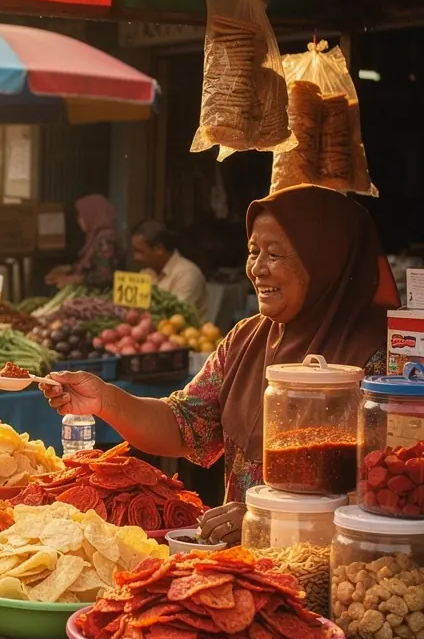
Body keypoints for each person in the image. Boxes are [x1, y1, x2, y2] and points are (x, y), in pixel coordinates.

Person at [42, 184, 400, 546]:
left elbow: (389, 492)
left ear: (326, 261)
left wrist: (267, 518)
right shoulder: (247, 339)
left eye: (275, 255)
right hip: (240, 569)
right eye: (253, 252)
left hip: (334, 575)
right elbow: (183, 424)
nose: (257, 269)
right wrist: (105, 400)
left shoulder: (383, 362)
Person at [131, 219, 209, 321]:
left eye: (140, 251)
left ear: (158, 249)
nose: (135, 257)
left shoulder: (187, 275)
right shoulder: (146, 273)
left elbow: (175, 318)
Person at [45, 194, 120, 289]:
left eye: (81, 215)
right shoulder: (95, 237)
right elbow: (93, 264)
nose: (79, 220)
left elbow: (105, 276)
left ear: (92, 214)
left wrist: (72, 279)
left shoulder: (105, 239)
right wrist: (68, 269)